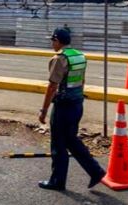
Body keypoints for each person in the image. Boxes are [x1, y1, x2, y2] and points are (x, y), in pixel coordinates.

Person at [38, 28, 105, 191]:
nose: (52, 44)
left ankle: (57, 181)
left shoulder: (59, 58)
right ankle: (96, 171)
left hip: (63, 107)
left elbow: (52, 86)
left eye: (52, 41)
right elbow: (82, 80)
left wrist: (44, 110)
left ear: (58, 41)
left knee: (58, 144)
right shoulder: (79, 56)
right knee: (71, 141)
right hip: (77, 104)